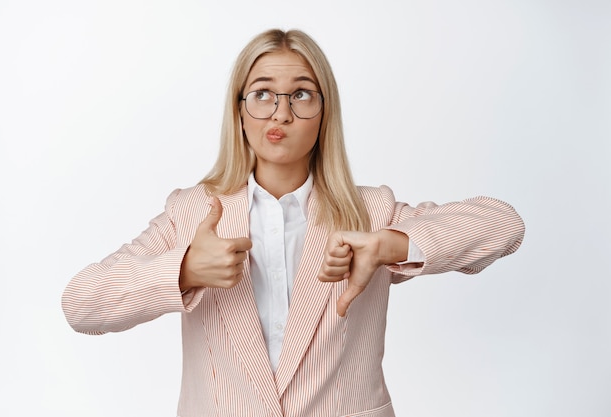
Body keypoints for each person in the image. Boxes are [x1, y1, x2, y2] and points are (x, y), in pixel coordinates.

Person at [62, 28, 525, 417]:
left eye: (301, 94)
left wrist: (389, 246)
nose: (281, 113)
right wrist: (183, 270)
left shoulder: (371, 213)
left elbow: (503, 224)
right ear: (239, 111)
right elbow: (81, 304)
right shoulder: (192, 213)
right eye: (262, 94)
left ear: (325, 113)